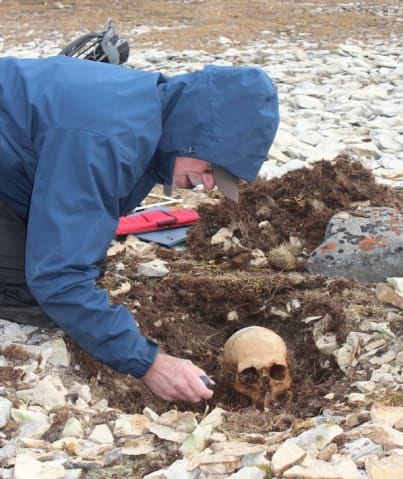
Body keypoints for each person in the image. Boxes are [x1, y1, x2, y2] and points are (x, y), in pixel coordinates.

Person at [0, 55, 280, 403]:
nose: (208, 185)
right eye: (211, 168)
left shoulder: (150, 117)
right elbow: (58, 278)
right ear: (193, 134)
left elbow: (81, 223)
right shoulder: (106, 142)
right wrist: (149, 364)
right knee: (34, 293)